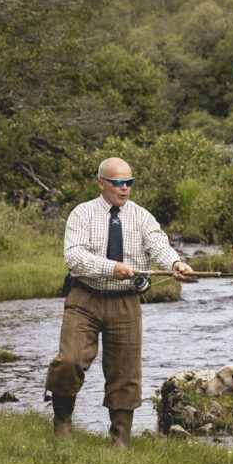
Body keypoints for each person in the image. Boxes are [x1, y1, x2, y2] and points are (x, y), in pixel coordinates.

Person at [44, 156, 196, 448]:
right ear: (102, 183)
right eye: (117, 182)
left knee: (126, 373)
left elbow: (159, 245)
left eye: (129, 182)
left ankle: (120, 441)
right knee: (70, 361)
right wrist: (111, 267)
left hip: (126, 302)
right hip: (84, 297)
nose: (124, 188)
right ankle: (62, 422)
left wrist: (176, 263)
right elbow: (74, 257)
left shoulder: (141, 216)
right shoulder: (82, 214)